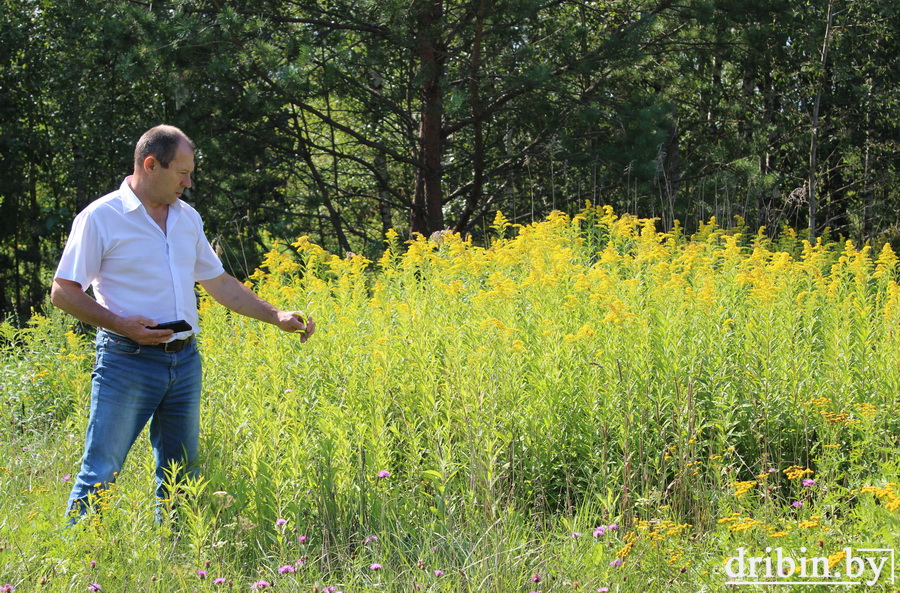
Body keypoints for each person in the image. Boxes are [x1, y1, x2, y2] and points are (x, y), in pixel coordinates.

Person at [50, 124, 315, 523]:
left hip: (185, 362)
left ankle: (177, 559)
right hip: (127, 360)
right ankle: (79, 563)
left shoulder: (187, 218)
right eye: (182, 173)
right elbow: (63, 291)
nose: (188, 183)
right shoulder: (101, 218)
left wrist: (274, 315)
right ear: (151, 165)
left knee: (181, 473)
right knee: (101, 470)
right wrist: (123, 325)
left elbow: (219, 282)